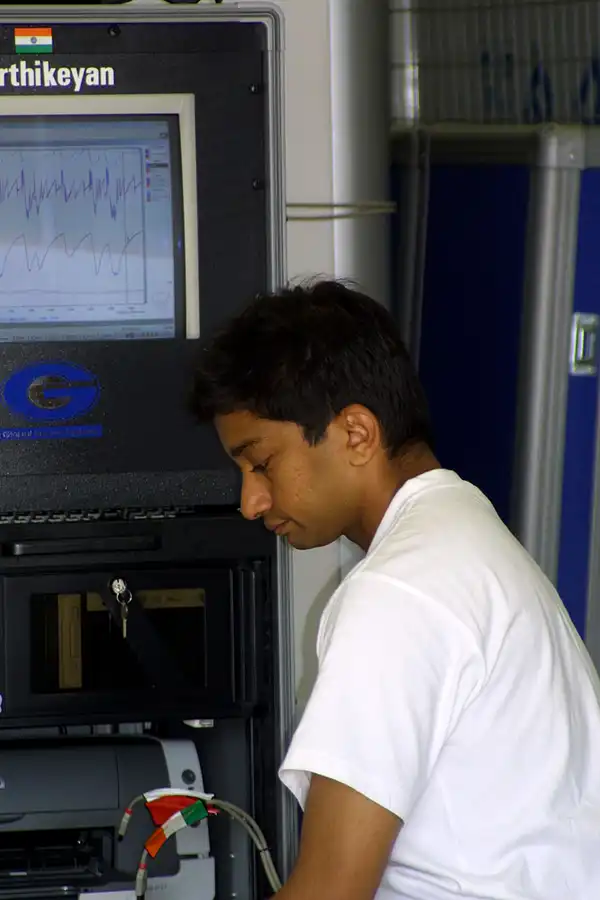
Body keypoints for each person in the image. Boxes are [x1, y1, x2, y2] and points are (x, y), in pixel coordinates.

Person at [191, 279, 600, 900]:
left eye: (262, 463)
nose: (250, 502)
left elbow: (331, 892)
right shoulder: (462, 533)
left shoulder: (397, 593)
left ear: (356, 433)